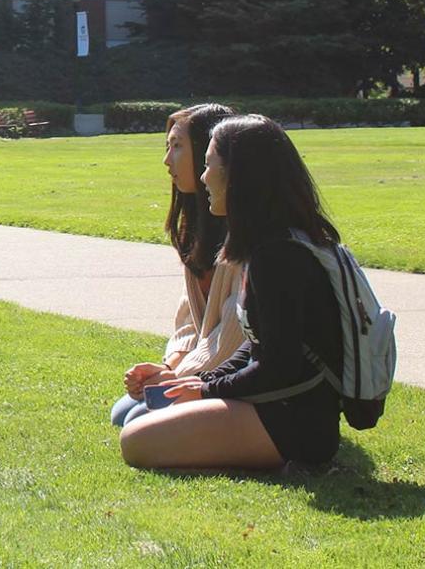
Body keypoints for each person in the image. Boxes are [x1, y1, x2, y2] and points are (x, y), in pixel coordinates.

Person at [120, 115, 347, 470]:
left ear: (241, 177)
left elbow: (278, 367)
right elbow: (254, 346)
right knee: (144, 416)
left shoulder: (278, 257)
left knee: (136, 440)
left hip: (294, 421)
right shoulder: (269, 244)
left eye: (210, 166)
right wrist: (199, 382)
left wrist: (207, 391)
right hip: (276, 405)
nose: (204, 177)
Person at [111, 103, 243, 428]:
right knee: (123, 413)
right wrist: (172, 362)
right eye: (167, 147)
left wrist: (174, 377)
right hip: (199, 369)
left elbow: (232, 336)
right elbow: (190, 319)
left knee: (138, 419)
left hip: (233, 377)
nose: (167, 160)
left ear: (209, 152)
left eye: (178, 147)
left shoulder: (245, 237)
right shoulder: (197, 227)